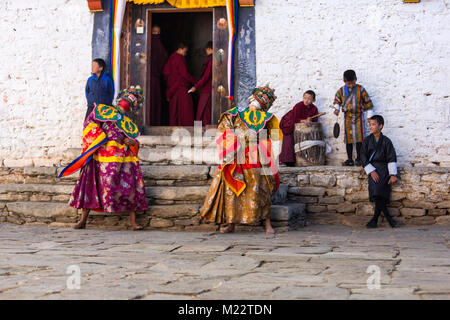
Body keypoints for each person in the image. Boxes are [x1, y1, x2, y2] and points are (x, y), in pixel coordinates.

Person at [61, 86, 148, 231]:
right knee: (91, 186)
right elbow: (90, 124)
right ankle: (83, 220)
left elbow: (134, 141)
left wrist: (132, 142)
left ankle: (133, 222)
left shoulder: (129, 124)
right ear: (120, 98)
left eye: (132, 101)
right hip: (100, 155)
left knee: (130, 186)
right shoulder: (104, 111)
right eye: (127, 98)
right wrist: (99, 136)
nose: (128, 101)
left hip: (121, 159)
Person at [200, 85, 283, 234]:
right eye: (257, 97)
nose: (256, 102)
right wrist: (232, 144)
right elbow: (224, 129)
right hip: (235, 155)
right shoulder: (235, 113)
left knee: (261, 187)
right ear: (252, 97)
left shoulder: (268, 119)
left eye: (261, 100)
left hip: (255, 156)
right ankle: (231, 223)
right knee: (231, 190)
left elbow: (270, 138)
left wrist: (266, 152)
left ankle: (267, 224)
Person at [360, 115, 399, 228]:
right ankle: (389, 219)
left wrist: (392, 175)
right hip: (373, 169)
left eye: (373, 124)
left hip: (384, 170)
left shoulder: (387, 141)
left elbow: (391, 157)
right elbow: (362, 156)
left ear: (380, 126)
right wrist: (371, 171)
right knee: (377, 194)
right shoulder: (367, 141)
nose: (370, 127)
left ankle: (375, 220)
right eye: (370, 124)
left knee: (380, 195)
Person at [333, 70, 374, 166]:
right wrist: (336, 109)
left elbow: (368, 103)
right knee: (349, 139)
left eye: (353, 83)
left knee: (359, 138)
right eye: (348, 83)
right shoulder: (341, 91)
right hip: (347, 117)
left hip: (359, 117)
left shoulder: (361, 89)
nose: (351, 85)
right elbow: (336, 101)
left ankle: (359, 158)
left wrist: (369, 117)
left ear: (356, 79)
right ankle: (350, 159)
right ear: (344, 81)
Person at [279, 90, 319, 166]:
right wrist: (303, 120)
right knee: (289, 139)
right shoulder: (298, 106)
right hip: (290, 122)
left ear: (313, 100)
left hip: (302, 127)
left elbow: (315, 120)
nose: (306, 100)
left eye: (309, 99)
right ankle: (285, 161)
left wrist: (311, 120)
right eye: (305, 98)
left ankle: (303, 159)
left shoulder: (314, 109)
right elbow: (295, 118)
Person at [163, 42, 197, 126]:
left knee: (175, 110)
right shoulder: (179, 58)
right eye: (185, 51)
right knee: (185, 110)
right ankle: (186, 129)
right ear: (180, 49)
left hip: (172, 88)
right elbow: (184, 74)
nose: (185, 54)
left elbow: (166, 72)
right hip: (180, 87)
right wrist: (196, 82)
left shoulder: (171, 58)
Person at [190, 41, 213, 126]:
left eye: (206, 50)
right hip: (207, 89)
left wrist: (196, 86)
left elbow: (206, 76)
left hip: (207, 90)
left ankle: (205, 134)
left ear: (209, 49)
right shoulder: (211, 60)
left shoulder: (211, 61)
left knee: (204, 112)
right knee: (204, 112)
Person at [148, 25, 168, 126]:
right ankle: (155, 121)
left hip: (152, 77)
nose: (156, 35)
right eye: (155, 32)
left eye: (158, 33)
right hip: (155, 77)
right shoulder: (158, 44)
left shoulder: (150, 42)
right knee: (154, 101)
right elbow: (163, 57)